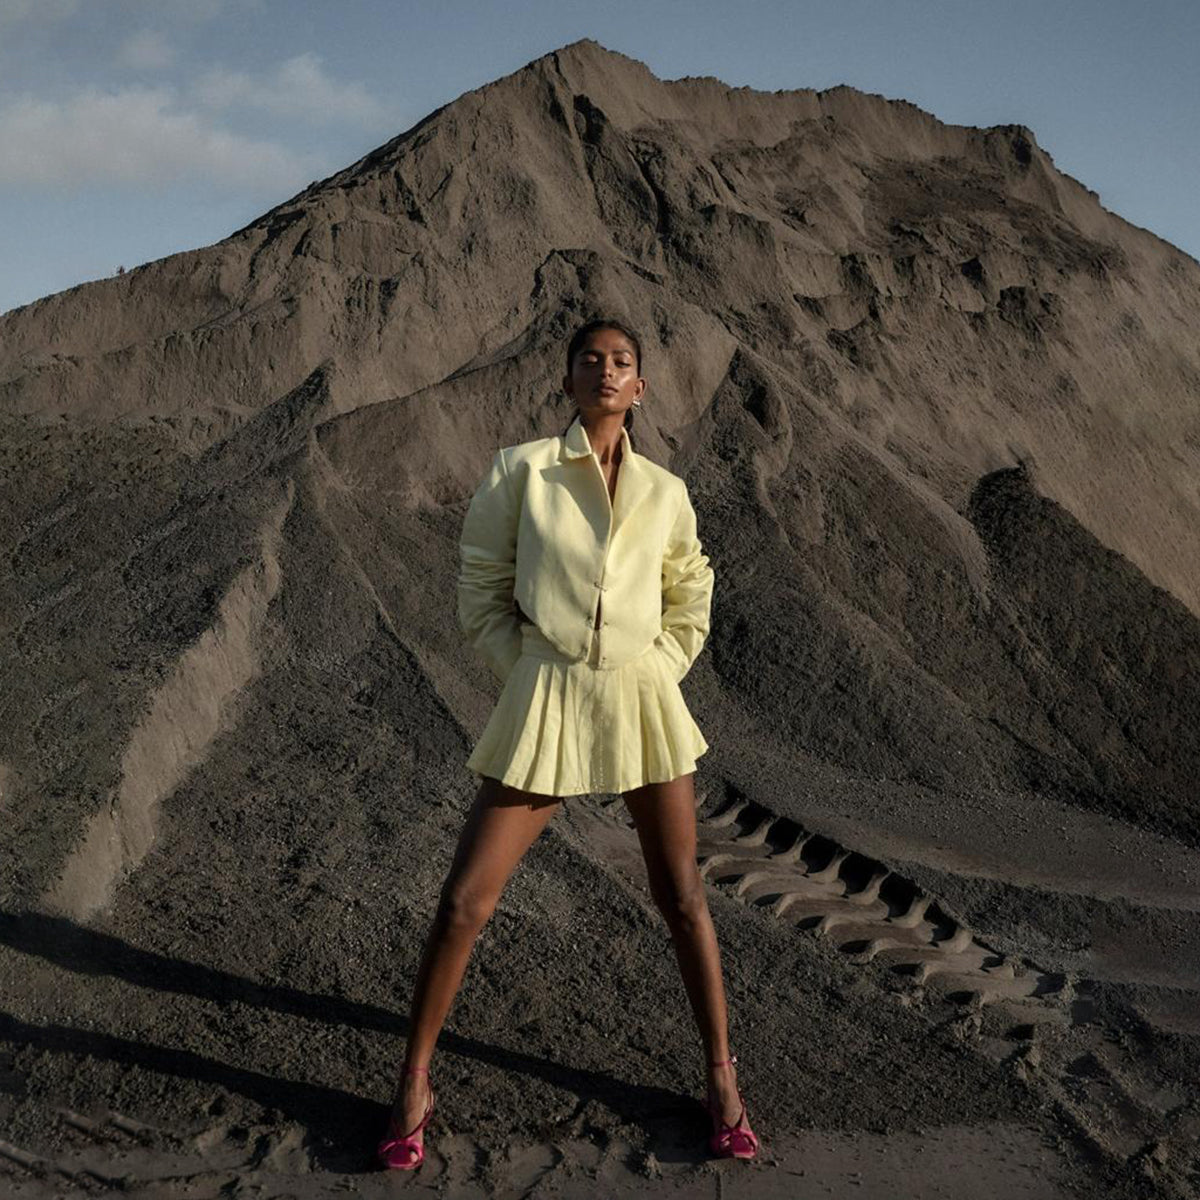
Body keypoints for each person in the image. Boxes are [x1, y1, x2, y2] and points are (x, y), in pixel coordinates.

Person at [377, 318, 758, 1170]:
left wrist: (660, 664)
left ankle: (723, 1080)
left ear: (640, 387)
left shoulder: (666, 491)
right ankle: (413, 1083)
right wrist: (527, 671)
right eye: (590, 360)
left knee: (683, 897)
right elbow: (480, 583)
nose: (605, 371)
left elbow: (691, 585)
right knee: (464, 902)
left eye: (622, 362)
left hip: (641, 698)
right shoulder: (521, 471)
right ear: (568, 380)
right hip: (546, 695)